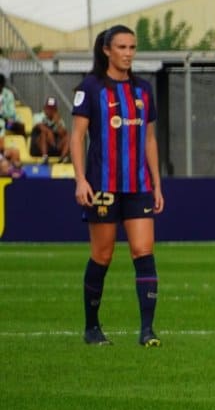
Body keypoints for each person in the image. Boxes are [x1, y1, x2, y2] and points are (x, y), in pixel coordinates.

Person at [70, 25, 165, 347]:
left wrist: (157, 184)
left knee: (143, 251)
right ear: (107, 50)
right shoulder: (91, 87)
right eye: (122, 47)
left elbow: (149, 140)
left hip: (138, 186)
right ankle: (92, 328)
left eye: (132, 47)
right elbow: (76, 136)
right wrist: (80, 180)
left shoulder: (143, 90)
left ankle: (147, 330)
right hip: (103, 186)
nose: (128, 53)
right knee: (102, 255)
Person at [30, 95, 68, 160]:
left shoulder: (58, 120)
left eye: (53, 108)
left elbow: (63, 134)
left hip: (54, 146)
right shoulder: (38, 116)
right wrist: (50, 133)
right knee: (44, 134)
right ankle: (44, 157)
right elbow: (41, 127)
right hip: (38, 147)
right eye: (48, 108)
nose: (50, 110)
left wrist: (58, 123)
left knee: (69, 137)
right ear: (44, 108)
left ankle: (62, 158)